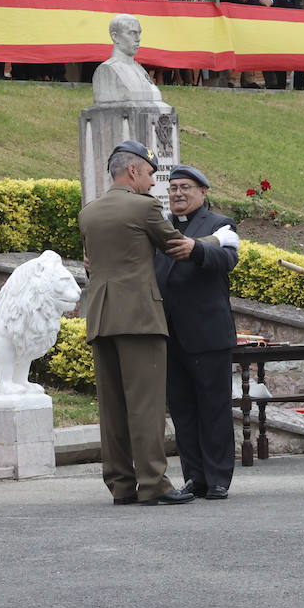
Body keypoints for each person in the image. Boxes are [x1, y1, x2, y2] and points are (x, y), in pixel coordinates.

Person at [79, 140, 197, 506]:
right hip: (140, 317)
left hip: (101, 317)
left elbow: (90, 263)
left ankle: (121, 485)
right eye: (149, 174)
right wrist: (213, 241)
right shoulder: (144, 208)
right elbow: (177, 245)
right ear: (132, 171)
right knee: (145, 405)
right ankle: (153, 483)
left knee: (112, 407)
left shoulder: (89, 212)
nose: (151, 182)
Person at [155, 165, 239, 500]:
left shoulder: (220, 225)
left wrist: (197, 250)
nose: (177, 193)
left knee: (214, 408)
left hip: (207, 334)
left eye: (185, 187)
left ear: (203, 192)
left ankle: (218, 478)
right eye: (173, 187)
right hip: (169, 334)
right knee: (182, 409)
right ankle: (194, 477)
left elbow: (226, 259)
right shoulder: (160, 228)